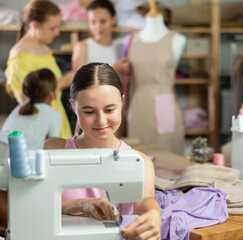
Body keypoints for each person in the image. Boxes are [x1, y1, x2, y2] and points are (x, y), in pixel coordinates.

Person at [43, 62, 161, 239]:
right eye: (89, 112)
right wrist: (80, 204)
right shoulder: (54, 149)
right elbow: (39, 205)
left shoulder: (140, 161)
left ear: (122, 101)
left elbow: (144, 201)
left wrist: (154, 215)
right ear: (73, 106)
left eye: (109, 110)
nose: (101, 120)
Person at [5, 0, 72, 139]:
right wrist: (60, 85)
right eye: (52, 28)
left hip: (57, 118)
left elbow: (52, 85)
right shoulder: (19, 57)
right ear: (35, 24)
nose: (57, 32)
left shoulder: (44, 49)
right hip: (40, 126)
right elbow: (30, 100)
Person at [127, 0, 186, 154]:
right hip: (138, 106)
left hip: (164, 105)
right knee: (138, 158)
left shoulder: (177, 39)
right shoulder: (131, 41)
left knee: (168, 158)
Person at [2, 68, 62, 149]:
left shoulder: (19, 108)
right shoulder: (55, 115)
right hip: (17, 152)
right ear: (52, 94)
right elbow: (52, 148)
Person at [71, 0, 129, 74]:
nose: (98, 26)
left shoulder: (121, 47)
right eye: (93, 22)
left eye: (103, 21)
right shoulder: (82, 47)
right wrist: (114, 69)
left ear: (114, 19)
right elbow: (79, 80)